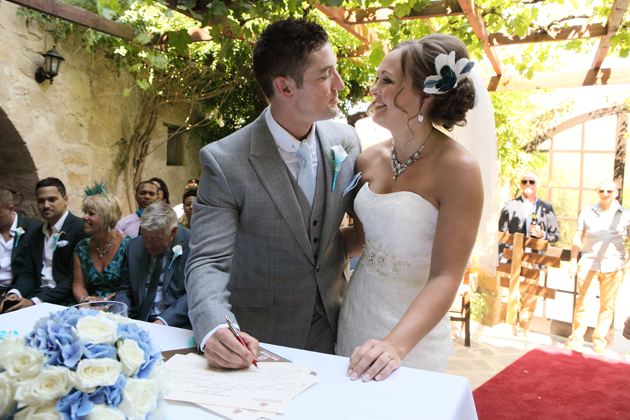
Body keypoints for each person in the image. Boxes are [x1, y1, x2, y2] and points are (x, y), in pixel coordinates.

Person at [186, 18, 361, 369]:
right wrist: (215, 325)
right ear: (285, 87)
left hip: (340, 326)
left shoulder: (347, 142)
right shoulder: (225, 161)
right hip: (260, 339)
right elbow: (208, 260)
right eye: (325, 75)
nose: (339, 84)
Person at [337, 34, 497, 379]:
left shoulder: (458, 169)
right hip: (357, 311)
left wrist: (394, 345)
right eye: (377, 78)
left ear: (425, 96)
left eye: (387, 80)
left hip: (413, 334)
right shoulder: (367, 159)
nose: (373, 89)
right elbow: (361, 239)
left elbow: (447, 274)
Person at [0, 178, 88, 312]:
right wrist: (15, 293)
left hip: (66, 300)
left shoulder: (80, 229)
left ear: (65, 200)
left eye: (52, 199)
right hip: (36, 294)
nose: (46, 205)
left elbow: (73, 279)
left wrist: (35, 302)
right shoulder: (36, 233)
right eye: (41, 201)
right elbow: (28, 273)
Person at [567, 180, 630, 354]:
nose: (605, 194)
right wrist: (573, 260)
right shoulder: (587, 212)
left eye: (609, 191)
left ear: (616, 193)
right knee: (583, 304)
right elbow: (577, 237)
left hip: (614, 266)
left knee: (607, 306)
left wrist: (627, 266)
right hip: (588, 264)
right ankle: (577, 339)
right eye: (601, 191)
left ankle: (599, 341)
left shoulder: (626, 215)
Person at [498, 170, 560, 336]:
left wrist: (542, 234)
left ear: (537, 185)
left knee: (530, 295)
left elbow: (555, 236)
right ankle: (506, 325)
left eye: (531, 182)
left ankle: (523, 327)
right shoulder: (510, 205)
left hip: (534, 257)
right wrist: (500, 257)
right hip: (511, 257)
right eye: (524, 181)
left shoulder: (546, 209)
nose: (527, 185)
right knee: (507, 292)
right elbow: (500, 234)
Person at [114, 202, 191, 328]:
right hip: (138, 319)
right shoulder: (134, 246)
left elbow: (194, 294)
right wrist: (119, 315)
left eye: (156, 239)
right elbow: (125, 289)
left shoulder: (192, 244)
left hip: (176, 323)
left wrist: (163, 321)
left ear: (173, 232)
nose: (149, 244)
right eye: (145, 237)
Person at [72, 183, 130, 303]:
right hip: (90, 305)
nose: (84, 217)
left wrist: (104, 300)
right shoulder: (82, 247)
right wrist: (85, 301)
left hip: (120, 303)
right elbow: (78, 285)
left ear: (107, 217)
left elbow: (132, 286)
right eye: (85, 212)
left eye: (91, 214)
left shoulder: (130, 245)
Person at [0, 188, 42, 296]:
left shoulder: (33, 230)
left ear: (11, 209)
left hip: (18, 291)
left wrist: (14, 292)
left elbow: (33, 271)